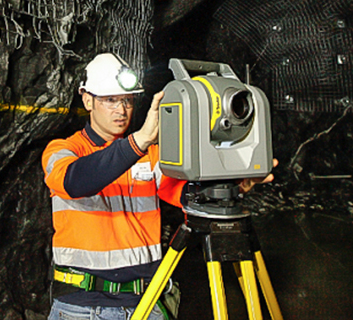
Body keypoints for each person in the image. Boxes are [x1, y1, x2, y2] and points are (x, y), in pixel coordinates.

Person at [42, 52, 276, 320]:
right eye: (110, 100)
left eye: (127, 100)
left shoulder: (151, 155)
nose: (121, 110)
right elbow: (75, 181)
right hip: (83, 306)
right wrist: (139, 141)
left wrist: (236, 184)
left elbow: (188, 196)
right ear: (87, 100)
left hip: (147, 301)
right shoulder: (63, 150)